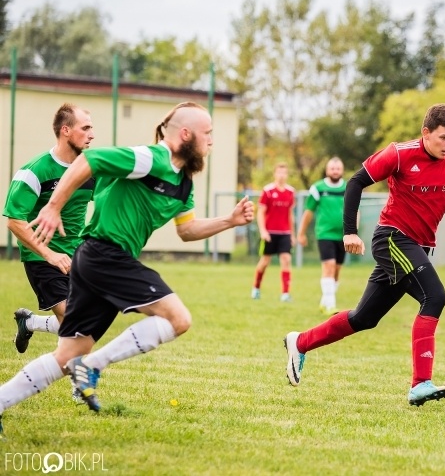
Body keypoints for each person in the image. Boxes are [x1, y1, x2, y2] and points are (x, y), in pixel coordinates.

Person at [0, 102, 254, 436]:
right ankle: (90, 367)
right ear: (186, 134)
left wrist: (229, 221)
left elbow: (186, 230)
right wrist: (52, 206)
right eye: (208, 133)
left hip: (96, 260)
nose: (212, 141)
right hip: (106, 254)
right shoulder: (150, 158)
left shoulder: (183, 184)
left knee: (67, 354)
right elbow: (90, 160)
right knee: (179, 319)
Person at [283, 103, 445, 407]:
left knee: (364, 318)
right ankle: (420, 384)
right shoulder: (399, 153)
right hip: (392, 238)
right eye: (443, 137)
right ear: (425, 133)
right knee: (435, 296)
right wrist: (349, 231)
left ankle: (300, 342)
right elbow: (356, 182)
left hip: (419, 245)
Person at [2, 103, 95, 354]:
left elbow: (111, 204)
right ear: (65, 130)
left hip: (77, 255)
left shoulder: (90, 170)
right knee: (76, 324)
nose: (91, 135)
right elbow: (14, 220)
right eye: (85, 128)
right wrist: (49, 254)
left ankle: (30, 322)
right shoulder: (35, 171)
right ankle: (82, 390)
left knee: (87, 320)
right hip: (42, 258)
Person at [297, 157, 349, 315]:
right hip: (324, 233)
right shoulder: (317, 188)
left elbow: (355, 210)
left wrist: (353, 231)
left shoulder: (348, 187)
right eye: (332, 168)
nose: (335, 171)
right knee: (329, 266)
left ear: (342, 170)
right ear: (327, 170)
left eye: (338, 168)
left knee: (337, 269)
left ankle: (324, 301)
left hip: (343, 235)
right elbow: (308, 212)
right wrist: (301, 233)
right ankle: (331, 305)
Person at [251, 163, 295, 302]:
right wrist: (263, 231)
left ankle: (285, 294)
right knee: (264, 262)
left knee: (286, 260)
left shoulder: (290, 192)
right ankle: (256, 288)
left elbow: (290, 215)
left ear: (287, 175)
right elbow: (260, 213)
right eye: (279, 173)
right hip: (269, 233)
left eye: (284, 173)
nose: (282, 176)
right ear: (275, 174)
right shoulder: (267, 191)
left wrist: (292, 234)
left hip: (285, 233)